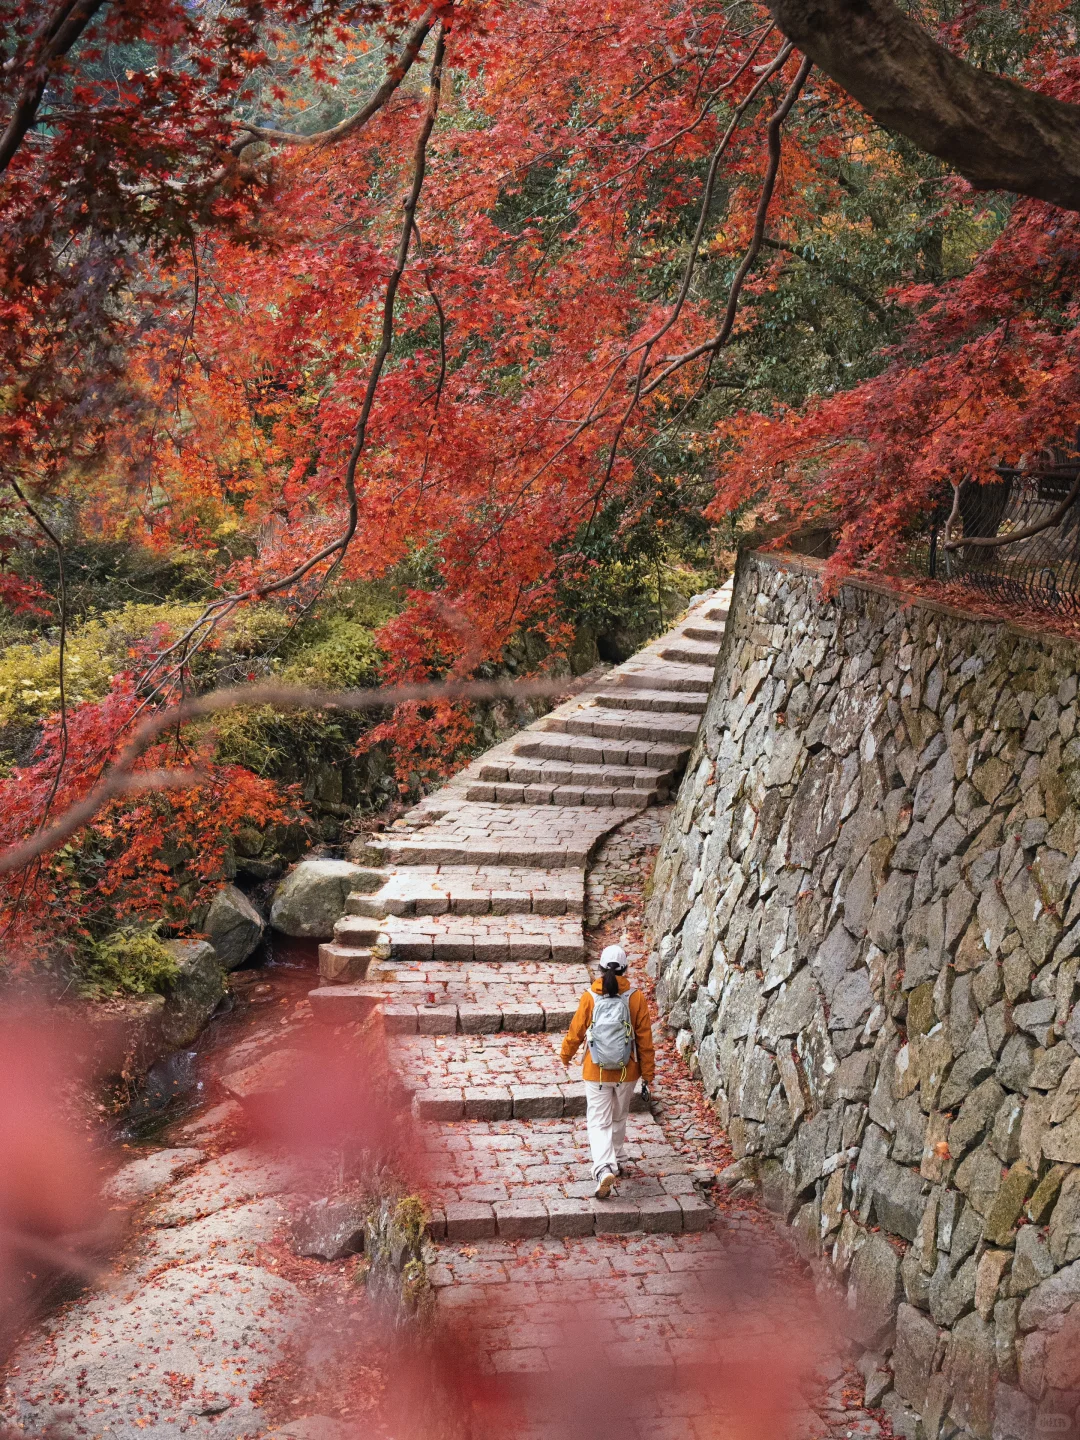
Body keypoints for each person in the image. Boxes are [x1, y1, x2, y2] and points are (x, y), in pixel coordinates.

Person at [560, 944, 655, 1199]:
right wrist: (648, 1073)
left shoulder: (590, 995)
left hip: (596, 1070)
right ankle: (617, 1156)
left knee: (598, 1120)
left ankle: (604, 1167)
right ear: (626, 969)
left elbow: (576, 1030)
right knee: (619, 1116)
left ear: (600, 969)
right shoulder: (635, 997)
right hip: (628, 1070)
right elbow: (644, 1039)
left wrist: (565, 1055)